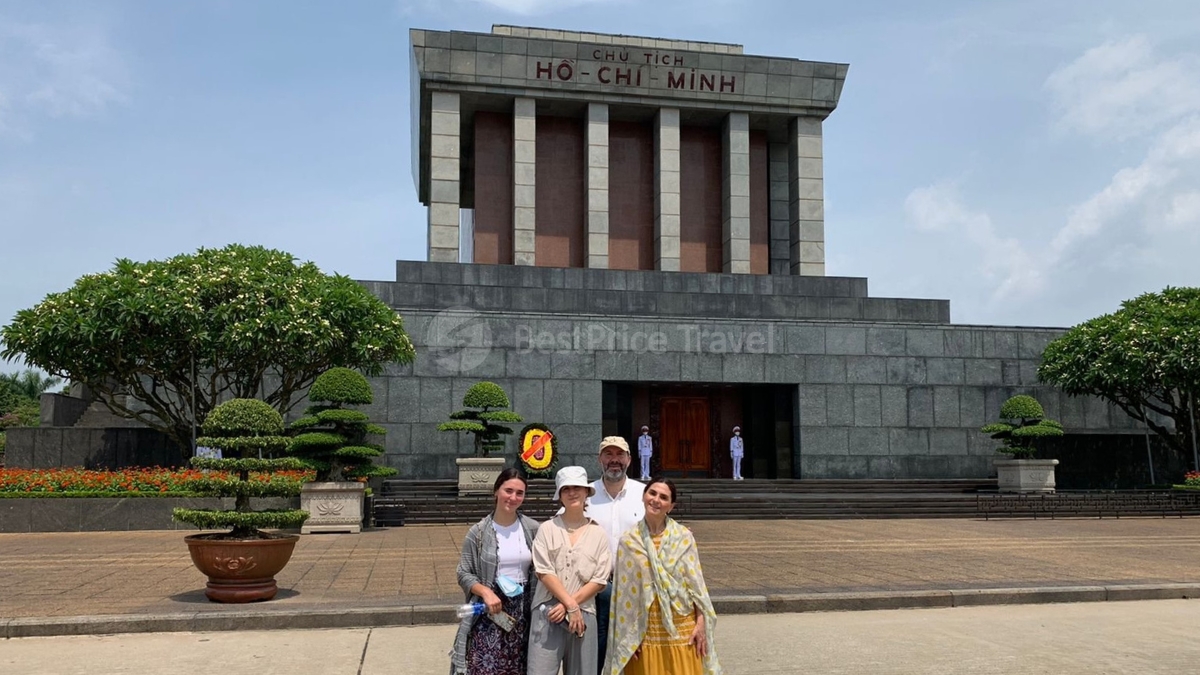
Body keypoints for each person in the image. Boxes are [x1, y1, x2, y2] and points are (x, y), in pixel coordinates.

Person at [604, 478, 722, 675]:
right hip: (645, 631)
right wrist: (627, 636)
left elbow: (697, 587)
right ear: (643, 497)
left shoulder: (683, 537)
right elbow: (623, 596)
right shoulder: (629, 541)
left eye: (664, 497)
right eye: (652, 493)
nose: (656, 500)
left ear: (671, 506)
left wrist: (701, 623)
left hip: (682, 627)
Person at [450, 467, 541, 675]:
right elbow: (463, 572)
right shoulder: (479, 532)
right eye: (508, 490)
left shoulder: (533, 529)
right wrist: (485, 591)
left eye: (520, 493)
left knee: (518, 668)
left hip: (522, 613)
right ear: (496, 491)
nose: (513, 497)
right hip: (489, 612)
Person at [527, 466, 613, 675]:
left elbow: (600, 579)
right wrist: (570, 606)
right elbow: (544, 571)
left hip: (584, 613)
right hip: (548, 611)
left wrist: (573, 607)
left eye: (577, 488)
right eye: (566, 489)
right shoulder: (547, 529)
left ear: (586, 493)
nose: (572, 493)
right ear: (560, 495)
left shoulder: (598, 533)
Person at [586, 436, 645, 672]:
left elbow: (663, 527)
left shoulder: (643, 494)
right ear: (600, 459)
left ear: (629, 459)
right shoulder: (585, 494)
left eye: (619, 455)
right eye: (608, 454)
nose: (614, 460)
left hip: (634, 587)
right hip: (595, 588)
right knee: (596, 651)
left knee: (633, 650)